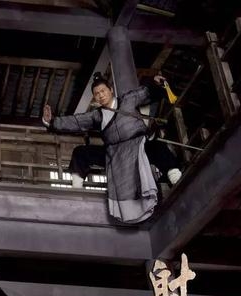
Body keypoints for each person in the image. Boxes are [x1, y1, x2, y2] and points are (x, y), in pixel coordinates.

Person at [42, 73, 182, 223]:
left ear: (111, 90)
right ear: (95, 98)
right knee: (81, 152)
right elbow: (76, 121)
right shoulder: (96, 116)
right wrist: (51, 121)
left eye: (103, 91)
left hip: (137, 146)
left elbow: (146, 92)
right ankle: (77, 188)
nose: (101, 95)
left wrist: (155, 83)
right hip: (114, 154)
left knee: (157, 147)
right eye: (97, 94)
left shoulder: (128, 100)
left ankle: (175, 176)